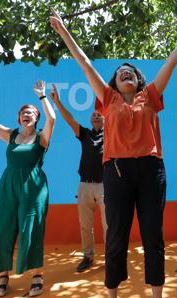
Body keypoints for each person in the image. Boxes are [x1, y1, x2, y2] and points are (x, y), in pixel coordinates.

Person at [50, 8, 177, 298]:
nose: (125, 73)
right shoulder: (106, 100)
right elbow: (83, 62)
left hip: (151, 171)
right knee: (116, 238)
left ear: (137, 80)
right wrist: (64, 31)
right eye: (120, 72)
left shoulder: (149, 96)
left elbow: (171, 62)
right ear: (113, 82)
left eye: (131, 71)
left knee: (153, 237)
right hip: (116, 172)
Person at [0, 80, 56, 298]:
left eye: (31, 113)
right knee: (3, 228)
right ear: (19, 118)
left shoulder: (42, 137)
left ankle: (36, 275)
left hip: (33, 187)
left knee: (31, 228)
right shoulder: (12, 135)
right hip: (8, 185)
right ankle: (3, 276)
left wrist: (42, 97)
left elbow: (52, 118)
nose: (27, 115)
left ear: (36, 118)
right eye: (24, 113)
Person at [49, 84, 107, 272]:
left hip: (105, 186)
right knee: (85, 226)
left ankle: (112, 258)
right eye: (93, 114)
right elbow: (69, 119)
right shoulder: (84, 134)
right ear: (90, 120)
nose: (96, 115)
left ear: (106, 119)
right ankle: (88, 257)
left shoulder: (112, 135)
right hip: (84, 186)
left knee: (110, 226)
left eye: (100, 114)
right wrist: (57, 102)